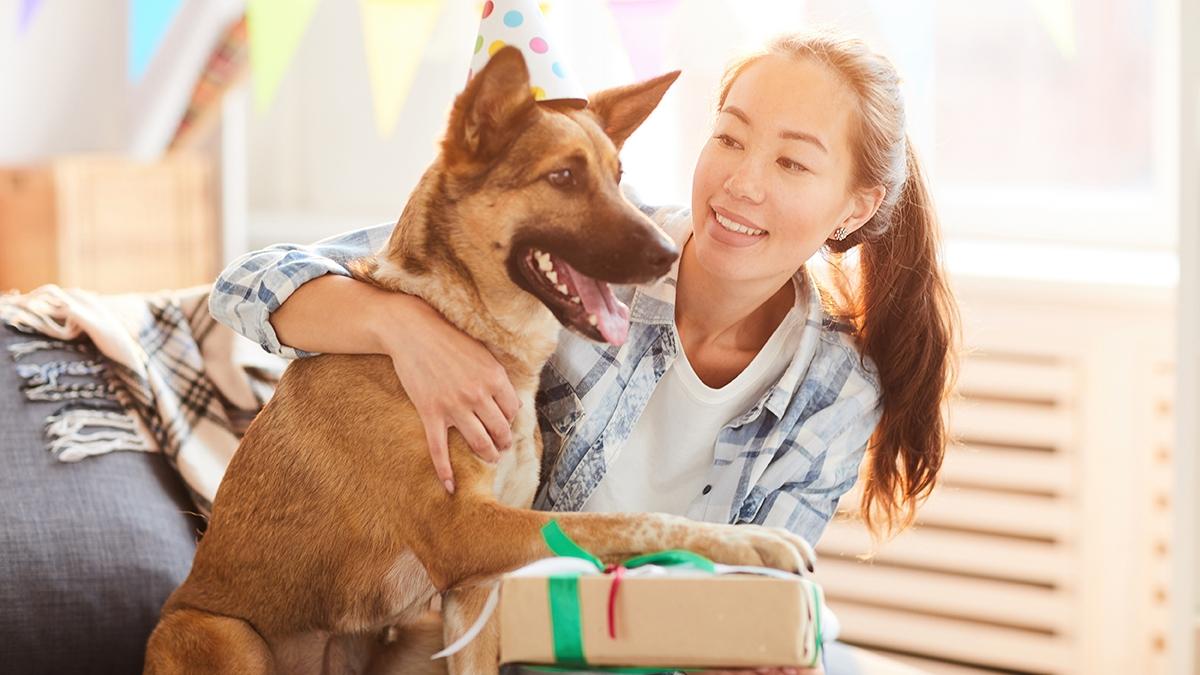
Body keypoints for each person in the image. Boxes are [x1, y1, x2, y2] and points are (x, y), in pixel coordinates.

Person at [211, 28, 958, 675]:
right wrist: (405, 329)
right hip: (507, 640)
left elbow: (752, 591)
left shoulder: (835, 387)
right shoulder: (554, 256)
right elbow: (248, 285)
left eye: (792, 163)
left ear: (853, 208)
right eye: (728, 137)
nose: (741, 181)